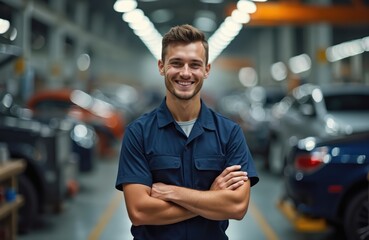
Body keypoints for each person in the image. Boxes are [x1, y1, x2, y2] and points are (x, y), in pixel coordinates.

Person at [115, 24, 259, 240]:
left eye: (194, 65)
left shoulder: (230, 133)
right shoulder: (138, 133)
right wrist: (211, 198)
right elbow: (139, 211)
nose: (185, 73)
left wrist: (173, 192)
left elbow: (237, 206)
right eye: (176, 63)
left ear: (206, 70)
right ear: (161, 67)